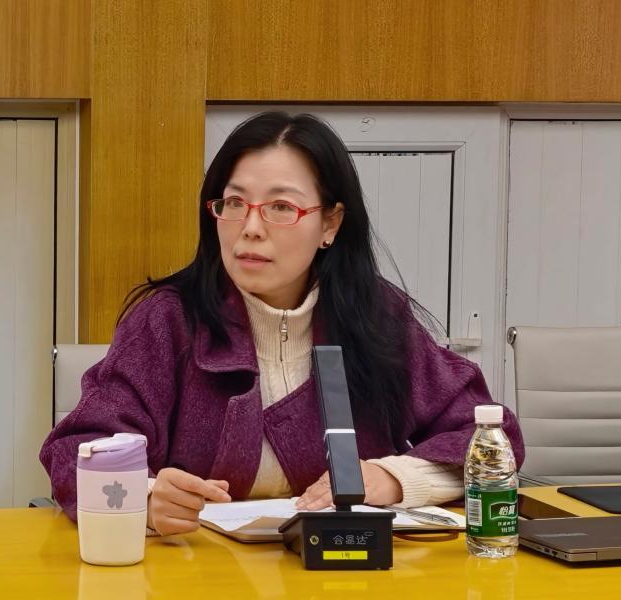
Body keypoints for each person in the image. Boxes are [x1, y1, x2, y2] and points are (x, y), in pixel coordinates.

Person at [40, 111, 524, 536]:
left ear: (330, 224)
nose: (250, 228)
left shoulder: (375, 315)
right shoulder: (168, 321)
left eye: (281, 208)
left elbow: (490, 436)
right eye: (234, 203)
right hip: (195, 574)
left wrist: (392, 478)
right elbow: (77, 450)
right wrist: (145, 499)